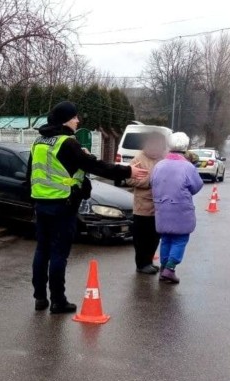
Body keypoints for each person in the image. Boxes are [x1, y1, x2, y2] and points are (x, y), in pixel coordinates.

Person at [29, 101, 149, 313]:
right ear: (66, 120)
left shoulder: (39, 142)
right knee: (58, 254)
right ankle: (58, 301)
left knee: (42, 251)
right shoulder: (67, 143)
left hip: (41, 204)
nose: (78, 120)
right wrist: (128, 171)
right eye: (75, 117)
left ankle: (40, 298)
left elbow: (32, 173)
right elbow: (95, 166)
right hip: (63, 205)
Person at [150, 134, 203, 284]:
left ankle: (163, 268)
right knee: (180, 239)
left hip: (161, 207)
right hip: (181, 209)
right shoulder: (187, 167)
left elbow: (151, 182)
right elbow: (196, 186)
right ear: (185, 147)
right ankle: (170, 269)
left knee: (166, 238)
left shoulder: (159, 165)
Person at [129, 132, 168, 274]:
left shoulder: (164, 158)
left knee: (154, 237)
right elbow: (129, 179)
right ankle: (141, 264)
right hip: (142, 207)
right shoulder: (138, 160)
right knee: (141, 238)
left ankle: (148, 261)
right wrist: (151, 180)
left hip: (160, 207)